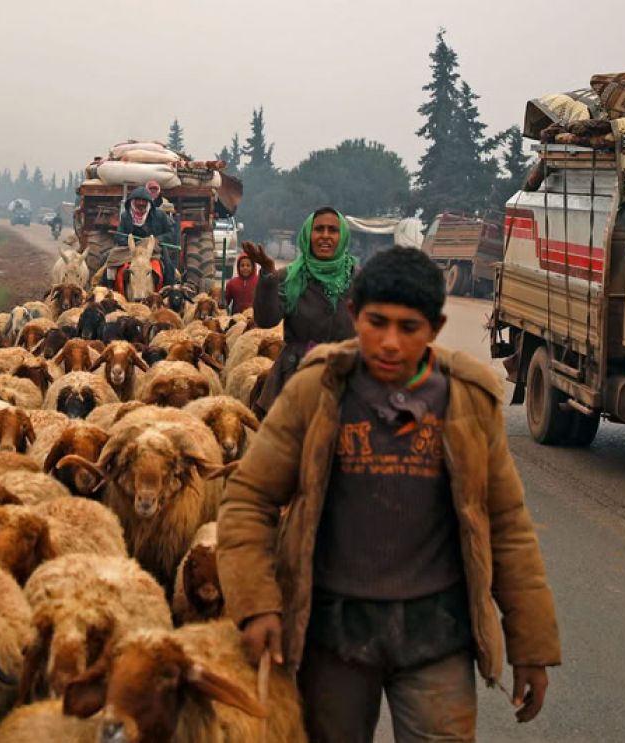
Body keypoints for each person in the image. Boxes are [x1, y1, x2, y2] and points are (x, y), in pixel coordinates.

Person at [217, 248, 561, 743]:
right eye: (377, 323)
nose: (391, 342)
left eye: (409, 327)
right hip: (333, 636)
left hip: (437, 637)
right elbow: (249, 499)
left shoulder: (466, 399)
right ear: (354, 314)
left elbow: (507, 524)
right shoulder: (317, 390)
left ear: (436, 328)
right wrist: (256, 604)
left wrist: (532, 645)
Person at [242, 207, 356, 414]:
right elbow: (266, 320)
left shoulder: (359, 279)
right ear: (307, 235)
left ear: (343, 236)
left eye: (333, 230)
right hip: (294, 376)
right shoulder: (290, 277)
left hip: (345, 377)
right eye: (318, 229)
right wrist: (268, 275)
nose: (325, 235)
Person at [114, 185, 176, 286]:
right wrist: (132, 244)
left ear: (148, 202)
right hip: (130, 250)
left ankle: (169, 288)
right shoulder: (125, 216)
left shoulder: (160, 215)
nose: (141, 203)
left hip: (154, 249)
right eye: (138, 200)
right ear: (132, 201)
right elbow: (119, 236)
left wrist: (157, 239)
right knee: (109, 260)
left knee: (169, 267)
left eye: (144, 200)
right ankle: (108, 288)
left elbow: (171, 233)